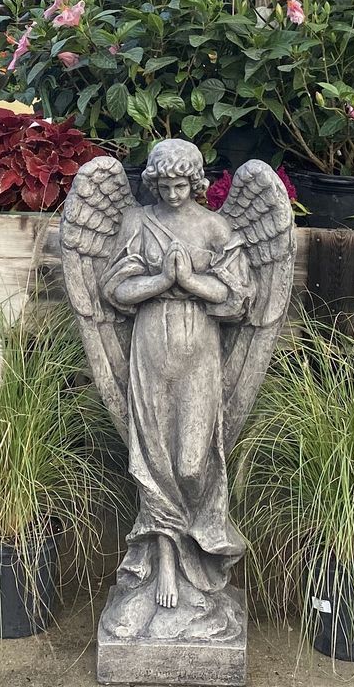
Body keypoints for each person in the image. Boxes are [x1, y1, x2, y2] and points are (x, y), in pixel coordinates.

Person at [101, 140, 252, 622]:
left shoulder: (214, 227)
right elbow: (116, 291)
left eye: (180, 185)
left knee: (191, 462)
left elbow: (235, 299)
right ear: (152, 183)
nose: (171, 194)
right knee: (154, 459)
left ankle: (199, 563)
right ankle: (165, 567)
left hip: (199, 350)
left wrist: (187, 281)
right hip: (150, 346)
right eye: (163, 186)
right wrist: (162, 282)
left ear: (196, 182)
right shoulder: (136, 222)